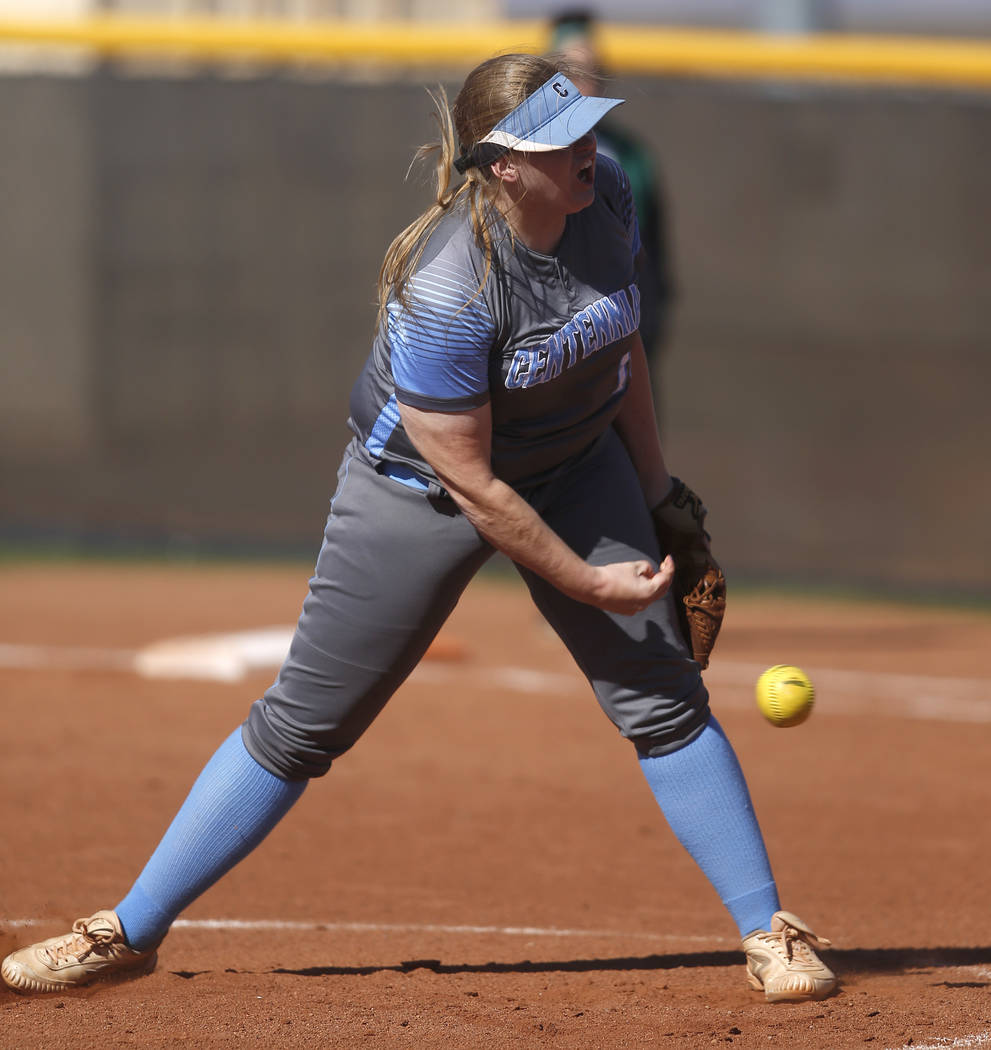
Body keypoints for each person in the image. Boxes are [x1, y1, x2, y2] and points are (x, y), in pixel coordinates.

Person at [1, 53, 835, 1004]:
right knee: (301, 728)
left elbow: (619, 348)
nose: (587, 152)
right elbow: (474, 484)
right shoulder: (447, 287)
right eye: (560, 141)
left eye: (589, 130)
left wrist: (658, 496)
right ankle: (127, 929)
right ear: (502, 167)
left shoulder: (603, 204)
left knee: (663, 695)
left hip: (574, 465)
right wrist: (587, 580)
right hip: (420, 492)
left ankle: (769, 928)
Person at [547, 9, 675, 393]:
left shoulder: (630, 157)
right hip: (548, 339)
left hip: (617, 332)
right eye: (568, 69)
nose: (581, 81)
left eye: (591, 68)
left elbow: (653, 253)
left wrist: (644, 325)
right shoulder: (524, 153)